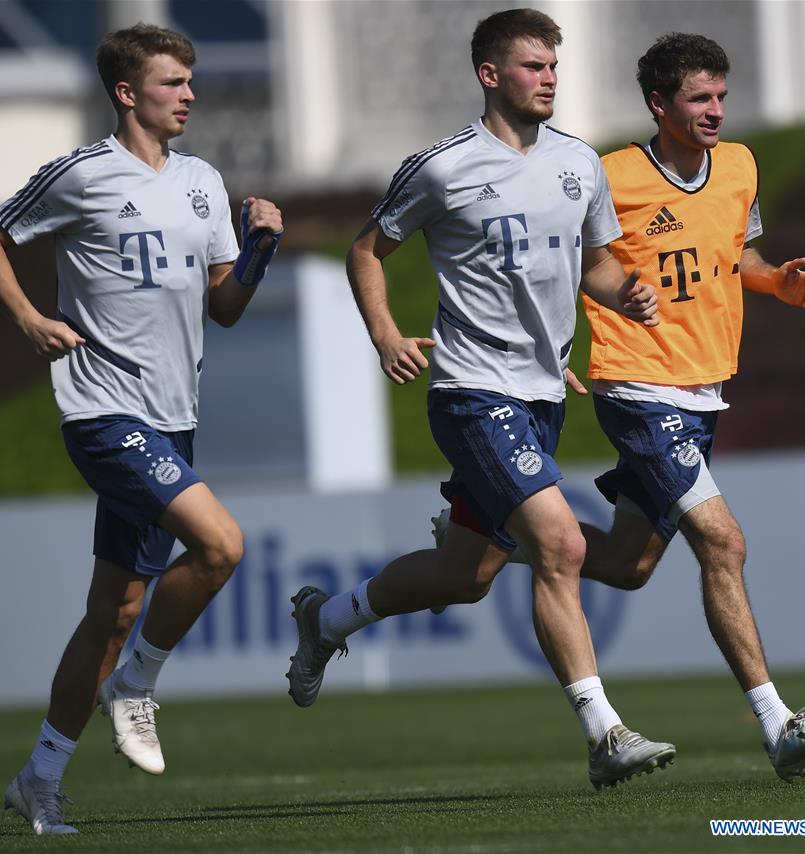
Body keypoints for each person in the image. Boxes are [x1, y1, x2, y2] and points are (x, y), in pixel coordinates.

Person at [434, 32, 805, 783]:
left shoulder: (741, 166)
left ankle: (513, 537)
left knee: (629, 564)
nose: (716, 110)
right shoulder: (608, 174)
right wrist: (548, 343)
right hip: (637, 387)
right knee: (724, 543)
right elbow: (557, 261)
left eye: (721, 96)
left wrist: (773, 282)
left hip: (703, 392)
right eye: (699, 98)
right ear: (659, 105)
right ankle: (777, 723)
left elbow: (737, 254)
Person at [287, 8, 676, 792]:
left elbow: (593, 264)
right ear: (490, 75)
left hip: (541, 395)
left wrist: (625, 294)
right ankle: (605, 734)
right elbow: (367, 250)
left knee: (467, 574)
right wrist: (387, 333)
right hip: (471, 390)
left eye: (554, 67)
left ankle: (325, 619)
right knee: (561, 545)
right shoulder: (442, 167)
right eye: (534, 66)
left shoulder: (579, 164)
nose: (550, 79)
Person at [0, 24, 283, 835]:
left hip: (174, 416)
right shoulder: (83, 173)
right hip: (104, 410)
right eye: (172, 82)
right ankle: (137, 684)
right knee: (221, 545)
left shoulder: (203, 181)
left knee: (114, 608)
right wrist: (31, 318)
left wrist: (259, 250)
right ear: (126, 92)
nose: (188, 94)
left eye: (189, 80)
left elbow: (227, 305)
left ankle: (39, 778)